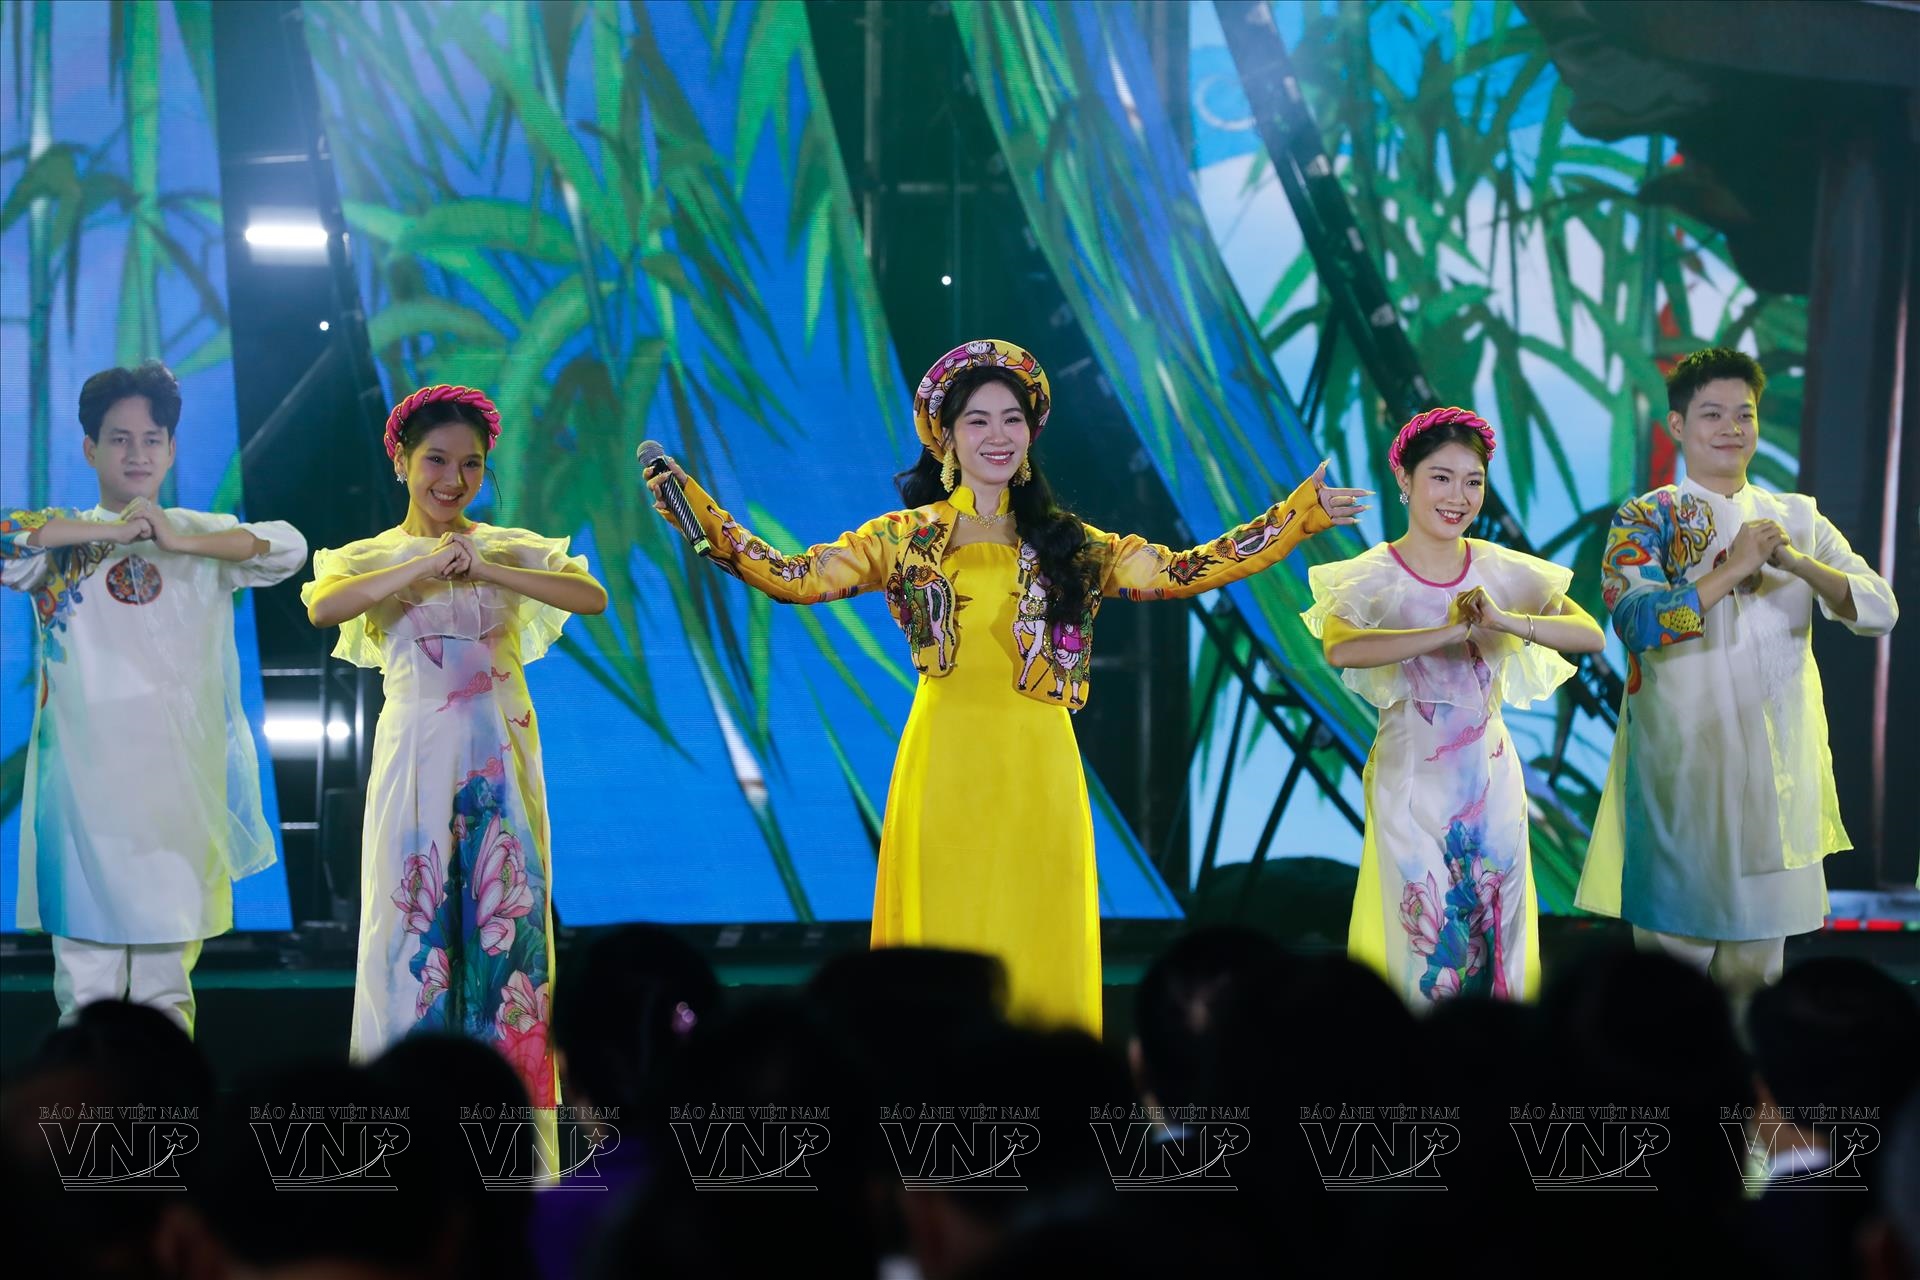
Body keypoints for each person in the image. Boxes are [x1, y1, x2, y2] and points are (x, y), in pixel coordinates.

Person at [647, 339, 1366, 1034]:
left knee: (1037, 925)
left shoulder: (1070, 542)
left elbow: (1184, 570)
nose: (998, 436)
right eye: (978, 420)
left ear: (1030, 434)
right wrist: (693, 509)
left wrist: (1297, 517)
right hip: (944, 760)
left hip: (1038, 763)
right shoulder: (902, 537)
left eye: (1012, 419)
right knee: (947, 933)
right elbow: (794, 578)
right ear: (946, 438)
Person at [304, 384, 607, 1106]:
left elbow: (589, 596)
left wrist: (484, 566)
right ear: (401, 462)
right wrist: (423, 564)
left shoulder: (505, 547)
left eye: (471, 464)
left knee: (508, 939)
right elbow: (323, 608)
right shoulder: (371, 558)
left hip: (500, 763)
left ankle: (506, 1128)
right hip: (415, 758)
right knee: (411, 937)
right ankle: (407, 1119)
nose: (453, 479)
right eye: (435, 460)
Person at [1577, 348, 1898, 997]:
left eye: (1744, 414)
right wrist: (1734, 568)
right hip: (1681, 778)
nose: (1731, 428)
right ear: (1677, 425)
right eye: (1712, 414)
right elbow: (1637, 623)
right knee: (1669, 987)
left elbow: (1879, 609)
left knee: (1757, 981)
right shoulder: (1646, 518)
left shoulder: (1797, 517)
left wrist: (1798, 563)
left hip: (1778, 785)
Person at [0, 360, 306, 1034]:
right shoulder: (59, 539)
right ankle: (87, 1102)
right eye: (119, 439)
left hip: (177, 796)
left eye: (152, 439)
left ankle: (162, 1103)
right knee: (85, 993)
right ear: (90, 449)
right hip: (83, 795)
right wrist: (113, 533)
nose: (137, 453)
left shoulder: (202, 533)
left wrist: (177, 538)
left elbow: (289, 548)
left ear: (170, 450)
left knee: (167, 993)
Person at [1303, 407, 1604, 1005]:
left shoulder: (1498, 569)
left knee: (1498, 936)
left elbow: (1589, 636)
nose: (1458, 497)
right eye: (1440, 477)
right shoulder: (1373, 575)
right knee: (1426, 939)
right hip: (1410, 780)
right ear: (1404, 479)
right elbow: (1341, 647)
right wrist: (1446, 632)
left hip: (1491, 782)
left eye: (1473, 482)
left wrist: (1505, 621)